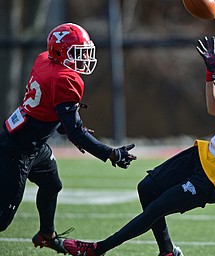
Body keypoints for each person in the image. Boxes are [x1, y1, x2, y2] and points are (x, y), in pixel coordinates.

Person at [62, 36, 215, 256]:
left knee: (157, 209)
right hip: (208, 152)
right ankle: (168, 252)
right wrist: (211, 75)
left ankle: (97, 250)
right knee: (147, 189)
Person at [0, 23, 137, 254]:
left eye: (84, 51)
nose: (83, 58)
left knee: (52, 184)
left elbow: (51, 108)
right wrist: (111, 153)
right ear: (60, 52)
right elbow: (75, 132)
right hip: (18, 150)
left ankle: (47, 234)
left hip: (32, 142)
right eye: (77, 52)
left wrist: (70, 130)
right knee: (2, 220)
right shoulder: (66, 79)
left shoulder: (44, 59)